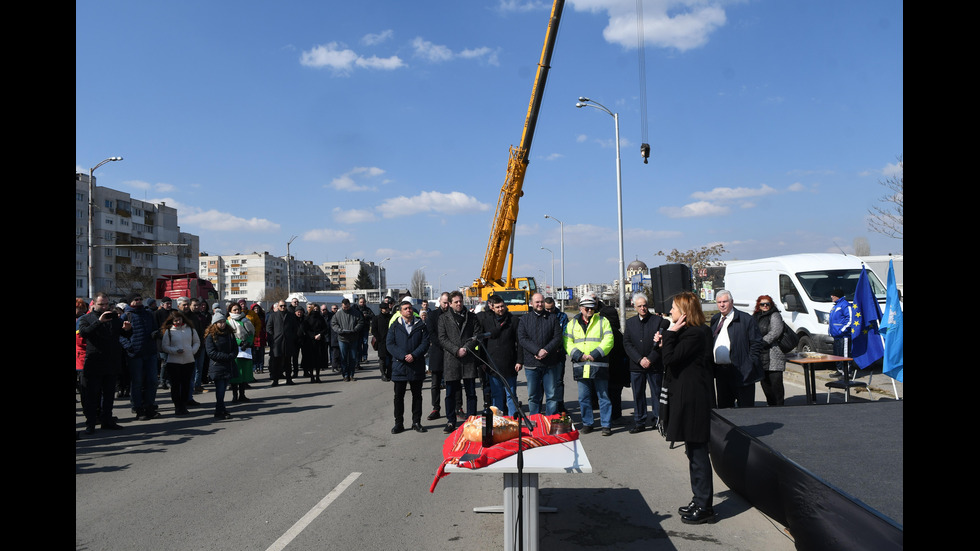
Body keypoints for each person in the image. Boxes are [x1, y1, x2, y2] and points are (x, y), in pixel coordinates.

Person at [658, 291, 717, 525]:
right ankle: (698, 498)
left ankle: (705, 507)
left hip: (694, 401)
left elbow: (670, 360)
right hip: (686, 397)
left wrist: (670, 334)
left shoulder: (696, 333)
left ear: (684, 312)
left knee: (698, 453)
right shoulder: (687, 333)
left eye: (673, 308)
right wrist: (667, 338)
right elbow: (667, 357)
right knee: (692, 452)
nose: (670, 312)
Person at [78, 293, 131, 434]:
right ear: (94, 304)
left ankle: (107, 420)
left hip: (111, 362)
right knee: (92, 395)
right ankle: (90, 423)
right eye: (101, 304)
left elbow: (123, 334)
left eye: (107, 304)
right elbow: (84, 333)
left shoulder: (114, 318)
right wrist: (99, 322)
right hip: (94, 362)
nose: (104, 307)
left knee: (108, 395)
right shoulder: (86, 318)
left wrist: (127, 329)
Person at [565, 296, 615, 436]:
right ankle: (588, 423)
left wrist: (595, 354)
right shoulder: (573, 323)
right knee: (584, 397)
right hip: (581, 364)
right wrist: (578, 355)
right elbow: (567, 341)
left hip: (598, 363)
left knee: (603, 396)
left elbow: (609, 340)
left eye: (592, 308)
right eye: (586, 308)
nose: (589, 310)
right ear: (581, 308)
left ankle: (606, 425)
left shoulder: (602, 321)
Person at [623, 292, 670, 434]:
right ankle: (639, 421)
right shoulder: (630, 323)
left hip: (654, 365)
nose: (643, 308)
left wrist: (649, 359)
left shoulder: (657, 321)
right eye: (640, 306)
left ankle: (658, 419)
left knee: (656, 393)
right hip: (636, 366)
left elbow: (660, 344)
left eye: (645, 306)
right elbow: (627, 343)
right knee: (638, 394)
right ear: (634, 306)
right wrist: (639, 359)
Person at [710, 290, 763, 409]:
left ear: (732, 302)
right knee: (725, 410)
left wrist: (749, 364)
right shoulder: (715, 319)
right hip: (722, 373)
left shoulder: (745, 319)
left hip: (742, 372)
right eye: (719, 302)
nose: (722, 305)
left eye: (725, 301)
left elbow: (756, 343)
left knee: (745, 409)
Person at [438, 291, 480, 433]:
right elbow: (442, 338)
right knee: (450, 393)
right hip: (452, 359)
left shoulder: (472, 317)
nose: (459, 304)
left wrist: (466, 349)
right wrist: (456, 350)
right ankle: (451, 421)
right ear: (450, 303)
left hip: (468, 359)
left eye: (460, 301)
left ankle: (472, 420)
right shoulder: (443, 318)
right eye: (455, 302)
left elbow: (476, 336)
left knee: (471, 392)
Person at [387, 299, 431, 434]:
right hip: (399, 366)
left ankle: (416, 422)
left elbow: (425, 343)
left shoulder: (420, 325)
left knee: (417, 396)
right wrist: (403, 356)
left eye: (410, 308)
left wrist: (414, 355)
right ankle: (398, 423)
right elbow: (390, 344)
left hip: (416, 365)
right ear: (401, 312)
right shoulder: (395, 326)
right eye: (405, 308)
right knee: (398, 396)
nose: (408, 310)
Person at [517, 292, 563, 416]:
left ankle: (550, 421)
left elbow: (558, 337)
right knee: (533, 396)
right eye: (537, 302)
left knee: (552, 395)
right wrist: (537, 351)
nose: (540, 304)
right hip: (532, 364)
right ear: (531, 303)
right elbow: (522, 338)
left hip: (550, 363)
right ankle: (535, 422)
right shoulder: (524, 319)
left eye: (541, 302)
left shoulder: (552, 318)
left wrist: (546, 350)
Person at [476, 294, 522, 416]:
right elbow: (482, 343)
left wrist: (519, 361)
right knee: (496, 395)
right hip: (492, 364)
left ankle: (513, 420)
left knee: (511, 395)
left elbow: (519, 342)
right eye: (497, 307)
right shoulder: (486, 322)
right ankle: (498, 421)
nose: (500, 309)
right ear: (492, 308)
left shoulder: (514, 321)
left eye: (502, 306)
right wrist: (482, 362)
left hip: (510, 364)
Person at [120, 293, 161, 421]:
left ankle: (149, 405)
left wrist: (156, 334)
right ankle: (138, 407)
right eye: (135, 300)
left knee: (152, 381)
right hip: (135, 353)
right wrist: (129, 346)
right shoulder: (126, 315)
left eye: (140, 299)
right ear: (130, 302)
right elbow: (120, 335)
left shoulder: (148, 314)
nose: (138, 301)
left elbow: (155, 329)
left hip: (150, 352)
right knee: (137, 382)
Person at [159, 310, 200, 415]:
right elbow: (165, 346)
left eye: (179, 319)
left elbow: (197, 342)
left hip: (188, 360)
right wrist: (175, 351)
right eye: (175, 320)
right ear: (172, 321)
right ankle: (178, 406)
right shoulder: (169, 331)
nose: (177, 322)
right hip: (174, 362)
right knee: (176, 385)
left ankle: (184, 404)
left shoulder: (190, 329)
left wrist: (192, 350)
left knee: (186, 384)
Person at [753, 295, 786, 406]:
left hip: (773, 353)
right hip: (761, 355)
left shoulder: (775, 315)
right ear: (759, 305)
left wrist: (761, 343)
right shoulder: (755, 316)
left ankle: (779, 406)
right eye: (762, 304)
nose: (765, 306)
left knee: (776, 383)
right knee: (765, 383)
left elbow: (775, 332)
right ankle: (771, 405)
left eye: (768, 304)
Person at [204, 312, 237, 420]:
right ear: (215, 324)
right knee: (220, 389)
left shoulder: (229, 334)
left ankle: (221, 408)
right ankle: (219, 410)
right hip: (217, 366)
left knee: (224, 388)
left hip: (228, 365)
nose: (222, 324)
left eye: (223, 322)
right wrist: (226, 356)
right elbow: (211, 352)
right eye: (219, 322)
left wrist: (232, 355)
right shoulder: (211, 336)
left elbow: (235, 348)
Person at [425, 293, 450, 420]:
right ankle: (436, 408)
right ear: (440, 302)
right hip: (437, 352)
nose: (446, 305)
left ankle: (457, 407)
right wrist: (444, 345)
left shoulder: (453, 315)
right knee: (435, 383)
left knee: (452, 383)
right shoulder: (432, 315)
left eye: (448, 302)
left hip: (451, 353)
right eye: (444, 302)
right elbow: (431, 333)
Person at [543, 297, 569, 414]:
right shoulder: (541, 316)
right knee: (543, 382)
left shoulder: (562, 317)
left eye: (551, 309)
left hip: (558, 353)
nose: (549, 311)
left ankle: (560, 405)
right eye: (547, 309)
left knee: (558, 381)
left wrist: (557, 348)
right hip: (545, 354)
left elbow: (564, 334)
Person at [226, 302, 256, 402]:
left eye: (238, 309)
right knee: (236, 373)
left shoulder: (246, 320)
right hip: (235, 350)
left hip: (246, 350)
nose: (237, 311)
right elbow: (230, 335)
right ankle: (235, 395)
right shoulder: (228, 322)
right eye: (234, 310)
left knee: (244, 373)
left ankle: (242, 395)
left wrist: (248, 342)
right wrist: (239, 342)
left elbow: (252, 332)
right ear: (230, 311)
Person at [331, 298, 365, 381]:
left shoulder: (356, 313)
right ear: (342, 305)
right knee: (344, 357)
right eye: (344, 307)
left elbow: (361, 322)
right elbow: (333, 324)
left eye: (347, 307)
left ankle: (352, 374)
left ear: (349, 305)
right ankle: (345, 375)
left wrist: (355, 329)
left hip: (353, 337)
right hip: (342, 338)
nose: (346, 308)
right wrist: (339, 330)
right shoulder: (338, 314)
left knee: (353, 357)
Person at [265, 300, 296, 386]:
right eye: (281, 306)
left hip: (288, 343)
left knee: (288, 363)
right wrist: (273, 338)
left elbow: (294, 328)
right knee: (276, 363)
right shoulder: (273, 316)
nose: (283, 307)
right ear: (278, 306)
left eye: (284, 306)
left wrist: (291, 337)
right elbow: (269, 328)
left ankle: (289, 379)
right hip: (277, 343)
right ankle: (275, 380)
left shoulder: (291, 316)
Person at [828, 289, 853, 378]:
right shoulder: (835, 306)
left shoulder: (845, 305)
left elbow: (850, 320)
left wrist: (842, 330)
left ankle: (847, 373)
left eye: (833, 295)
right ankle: (839, 370)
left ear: (837, 295)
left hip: (844, 336)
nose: (831, 297)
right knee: (837, 354)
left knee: (844, 354)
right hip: (836, 336)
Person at [302, 303, 329, 383]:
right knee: (311, 360)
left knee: (318, 360)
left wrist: (320, 334)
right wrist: (313, 336)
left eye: (317, 309)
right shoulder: (307, 318)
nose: (315, 311)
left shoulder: (321, 318)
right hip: (310, 341)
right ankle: (312, 377)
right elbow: (305, 329)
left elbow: (325, 328)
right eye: (314, 309)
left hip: (320, 341)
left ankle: (317, 376)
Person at [372, 299, 394, 381]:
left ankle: (389, 373)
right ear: (381, 309)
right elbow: (373, 330)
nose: (387, 310)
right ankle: (383, 374)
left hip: (391, 341)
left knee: (391, 359)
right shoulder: (376, 318)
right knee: (382, 359)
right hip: (381, 342)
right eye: (385, 309)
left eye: (388, 309)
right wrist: (379, 338)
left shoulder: (391, 317)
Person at [357, 296, 375, 366]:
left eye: (363, 302)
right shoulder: (356, 309)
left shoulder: (368, 309)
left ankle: (365, 357)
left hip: (365, 328)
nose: (362, 303)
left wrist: (366, 315)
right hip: (358, 329)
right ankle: (359, 358)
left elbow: (373, 316)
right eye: (361, 302)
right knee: (359, 344)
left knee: (365, 343)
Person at [250, 303, 267, 374]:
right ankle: (255, 367)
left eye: (257, 308)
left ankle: (261, 367)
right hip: (254, 338)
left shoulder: (262, 317)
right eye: (255, 309)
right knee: (254, 355)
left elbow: (264, 327)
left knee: (261, 354)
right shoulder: (251, 317)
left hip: (261, 337)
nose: (256, 310)